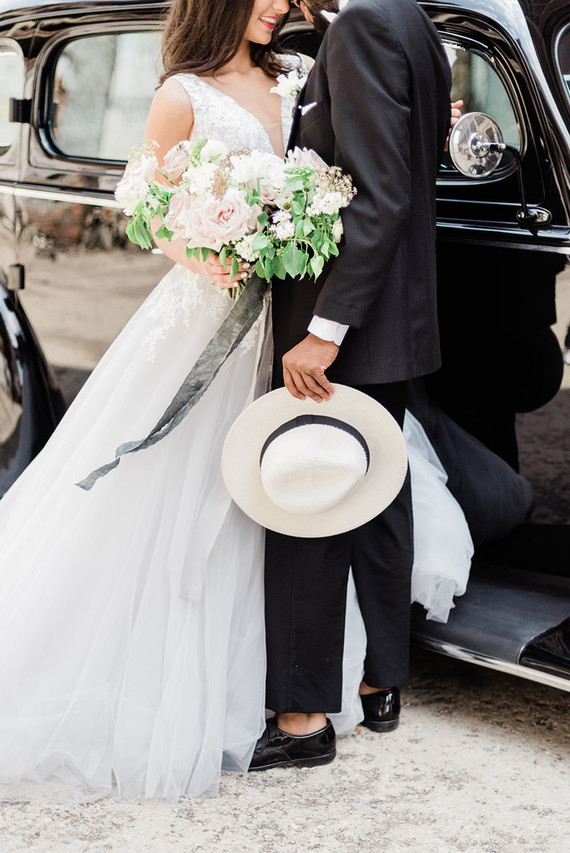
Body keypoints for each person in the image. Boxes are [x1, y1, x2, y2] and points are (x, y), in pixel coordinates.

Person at [0, 0, 299, 801]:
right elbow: (146, 208)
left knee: (277, 481)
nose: (280, 7)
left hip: (287, 313)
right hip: (207, 309)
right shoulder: (183, 93)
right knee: (186, 482)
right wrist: (208, 254)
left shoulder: (296, 77)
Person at [252, 0, 455, 770]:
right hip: (394, 316)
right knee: (380, 496)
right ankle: (383, 680)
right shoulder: (409, 18)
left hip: (355, 322)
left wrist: (324, 330)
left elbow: (378, 194)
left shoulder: (362, 26)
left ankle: (302, 719)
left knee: (307, 503)